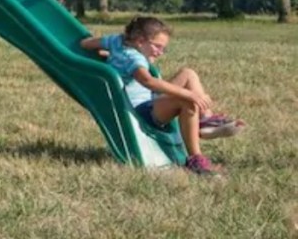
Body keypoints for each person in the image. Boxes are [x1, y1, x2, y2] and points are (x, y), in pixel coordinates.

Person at [80, 16, 246, 176]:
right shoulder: (133, 57)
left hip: (150, 101)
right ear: (140, 40)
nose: (160, 52)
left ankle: (204, 119)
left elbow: (85, 44)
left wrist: (108, 55)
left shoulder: (116, 41)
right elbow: (148, 81)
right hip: (140, 111)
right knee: (187, 101)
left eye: (163, 48)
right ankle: (196, 159)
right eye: (157, 46)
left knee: (188, 73)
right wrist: (190, 94)